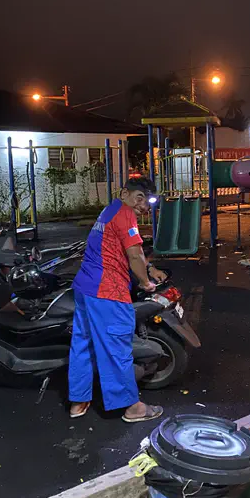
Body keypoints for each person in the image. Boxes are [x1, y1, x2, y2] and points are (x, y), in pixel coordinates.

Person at [68, 176, 165, 423]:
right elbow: (134, 255)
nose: (143, 205)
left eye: (148, 201)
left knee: (83, 344)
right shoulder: (125, 215)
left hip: (85, 288)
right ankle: (132, 407)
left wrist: (149, 268)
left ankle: (78, 401)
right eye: (139, 198)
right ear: (125, 194)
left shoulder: (110, 210)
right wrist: (146, 282)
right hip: (107, 291)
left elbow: (117, 247)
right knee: (117, 347)